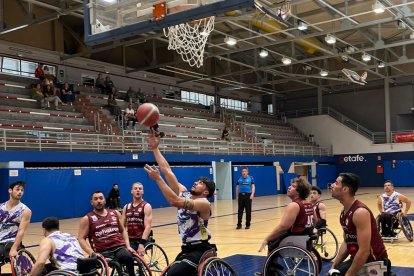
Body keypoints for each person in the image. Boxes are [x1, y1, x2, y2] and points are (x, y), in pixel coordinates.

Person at [144, 129, 216, 276]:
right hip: (186, 249)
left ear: (206, 192)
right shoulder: (184, 192)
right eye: (197, 180)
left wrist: (158, 179)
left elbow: (174, 201)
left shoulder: (204, 203)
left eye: (201, 183)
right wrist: (155, 148)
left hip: (200, 249)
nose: (196, 182)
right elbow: (167, 170)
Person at [330, 173, 388, 275]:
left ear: (345, 189)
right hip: (358, 259)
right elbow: (346, 242)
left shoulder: (360, 212)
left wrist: (348, 274)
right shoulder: (344, 212)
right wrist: (333, 266)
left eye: (336, 183)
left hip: (374, 262)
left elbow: (364, 250)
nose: (332, 185)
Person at [78, 191, 135, 276]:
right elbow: (81, 238)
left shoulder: (114, 213)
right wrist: (91, 252)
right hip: (102, 252)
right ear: (91, 202)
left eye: (101, 198)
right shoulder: (87, 219)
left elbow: (123, 231)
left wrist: (128, 246)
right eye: (96, 199)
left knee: (128, 257)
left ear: (104, 200)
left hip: (119, 248)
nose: (99, 201)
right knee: (85, 267)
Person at [258, 178, 314, 253]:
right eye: (290, 185)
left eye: (293, 186)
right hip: (306, 237)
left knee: (272, 241)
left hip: (295, 238)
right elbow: (315, 220)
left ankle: (271, 264)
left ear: (298, 192)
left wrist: (267, 239)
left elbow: (283, 227)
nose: (289, 187)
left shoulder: (294, 205)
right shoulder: (309, 204)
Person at [0, 181, 32, 261]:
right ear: (10, 190)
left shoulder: (25, 211)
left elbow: (21, 231)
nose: (20, 192)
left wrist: (14, 248)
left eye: (22, 190)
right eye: (17, 189)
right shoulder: (1, 207)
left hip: (11, 241)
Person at [121, 182, 153, 256]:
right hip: (128, 239)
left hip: (140, 239)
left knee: (127, 255)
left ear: (143, 191)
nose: (138, 190)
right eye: (135, 189)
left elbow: (148, 226)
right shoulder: (126, 207)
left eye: (140, 189)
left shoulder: (146, 206)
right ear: (132, 191)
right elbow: (122, 226)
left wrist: (142, 243)